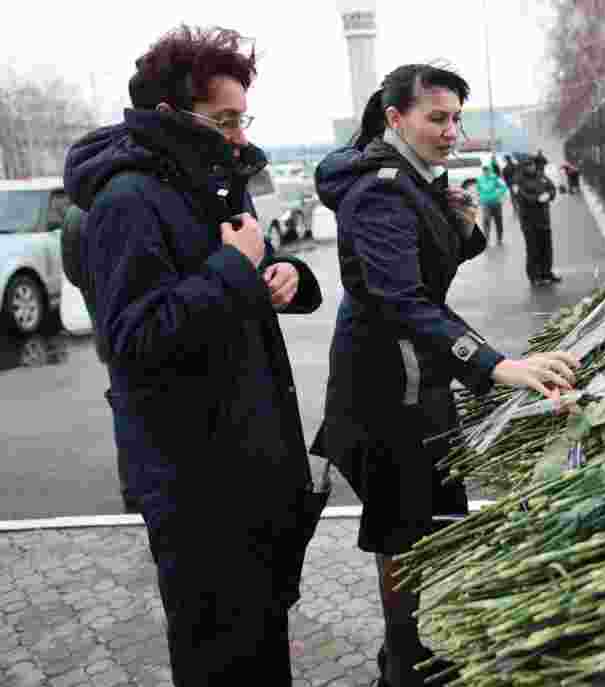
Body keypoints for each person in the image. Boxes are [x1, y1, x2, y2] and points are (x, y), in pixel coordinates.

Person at [63, 25, 324, 685]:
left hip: (252, 475)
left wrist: (283, 275)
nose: (239, 134)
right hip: (198, 491)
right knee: (219, 661)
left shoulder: (211, 180)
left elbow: (232, 272)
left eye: (244, 117)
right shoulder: (127, 200)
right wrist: (237, 269)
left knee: (262, 654)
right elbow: (134, 337)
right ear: (171, 116)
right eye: (225, 118)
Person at [309, 63, 579, 687]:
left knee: (427, 524)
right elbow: (405, 300)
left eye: (457, 117)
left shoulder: (413, 179)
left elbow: (429, 260)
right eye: (437, 118)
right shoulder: (381, 189)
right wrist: (496, 366)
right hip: (383, 389)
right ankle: (404, 668)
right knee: (405, 535)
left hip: (414, 379)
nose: (452, 130)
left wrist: (463, 225)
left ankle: (413, 656)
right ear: (395, 118)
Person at [516, 155, 560, 286]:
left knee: (546, 248)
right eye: (528, 165)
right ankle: (534, 276)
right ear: (524, 167)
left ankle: (546, 273)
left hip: (544, 220)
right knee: (533, 250)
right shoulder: (519, 180)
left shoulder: (541, 176)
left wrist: (549, 195)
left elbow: (552, 188)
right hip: (529, 221)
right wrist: (538, 198)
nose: (531, 167)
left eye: (532, 165)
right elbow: (523, 197)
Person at [476, 164, 508, 244]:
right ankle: (486, 238)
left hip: (496, 203)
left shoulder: (495, 178)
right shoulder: (480, 179)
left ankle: (499, 238)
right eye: (484, 170)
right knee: (486, 221)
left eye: (487, 170)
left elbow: (504, 187)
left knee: (498, 221)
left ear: (489, 170)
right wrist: (480, 196)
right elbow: (478, 189)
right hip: (485, 204)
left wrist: (498, 194)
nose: (485, 171)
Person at [501, 154, 520, 220]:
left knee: (514, 198)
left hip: (511, 185)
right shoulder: (516, 166)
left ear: (506, 160)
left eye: (505, 159)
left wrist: (507, 184)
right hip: (517, 184)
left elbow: (504, 178)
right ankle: (518, 211)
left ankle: (516, 211)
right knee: (518, 197)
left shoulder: (505, 168)